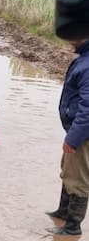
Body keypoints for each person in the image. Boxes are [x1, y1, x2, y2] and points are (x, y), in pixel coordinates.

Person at [46, 38, 89, 235]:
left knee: (78, 179)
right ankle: (63, 213)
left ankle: (72, 228)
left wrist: (73, 138)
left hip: (83, 134)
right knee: (68, 170)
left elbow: (87, 109)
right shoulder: (83, 58)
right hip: (76, 129)